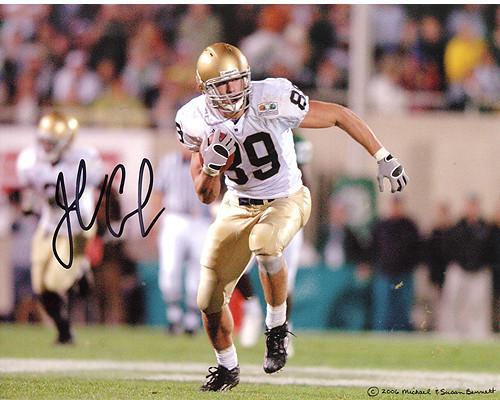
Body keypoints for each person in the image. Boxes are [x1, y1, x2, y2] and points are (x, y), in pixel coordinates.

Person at [175, 42, 408, 391]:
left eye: (237, 81)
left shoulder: (273, 97)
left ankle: (277, 328)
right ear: (205, 88)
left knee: (265, 243)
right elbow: (205, 194)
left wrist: (382, 154)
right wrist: (210, 168)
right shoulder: (193, 119)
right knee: (207, 298)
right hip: (237, 204)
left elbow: (339, 115)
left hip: (287, 197)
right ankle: (227, 368)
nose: (233, 90)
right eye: (223, 85)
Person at [16, 111, 102, 344]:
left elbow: (83, 182)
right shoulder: (30, 159)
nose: (45, 146)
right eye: (42, 140)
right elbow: (35, 189)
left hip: (76, 226)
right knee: (40, 287)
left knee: (56, 282)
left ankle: (81, 268)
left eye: (50, 142)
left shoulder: (83, 159)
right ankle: (64, 331)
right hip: (49, 223)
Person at [237, 133, 313, 352]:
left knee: (284, 280)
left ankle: (281, 330)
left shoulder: (297, 140)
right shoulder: (246, 128)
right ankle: (251, 307)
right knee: (237, 266)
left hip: (286, 212)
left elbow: (303, 178)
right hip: (253, 211)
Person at [153, 147, 213, 335]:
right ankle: (174, 315)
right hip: (175, 218)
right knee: (169, 269)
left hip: (201, 220)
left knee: (199, 271)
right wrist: (154, 223)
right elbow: (158, 193)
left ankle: (191, 319)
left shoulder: (208, 162)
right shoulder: (168, 162)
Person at [438, 195, 493, 339]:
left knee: (477, 304)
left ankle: (477, 333)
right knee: (453, 301)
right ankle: (450, 332)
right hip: (460, 269)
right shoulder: (457, 227)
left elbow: (490, 249)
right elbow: (448, 248)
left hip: (479, 271)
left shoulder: (485, 228)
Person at [369, 195, 420, 331]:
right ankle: (382, 333)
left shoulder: (410, 226)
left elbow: (417, 248)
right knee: (383, 306)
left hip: (404, 274)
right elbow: (373, 248)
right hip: (385, 272)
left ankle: (402, 333)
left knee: (403, 306)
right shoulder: (381, 225)